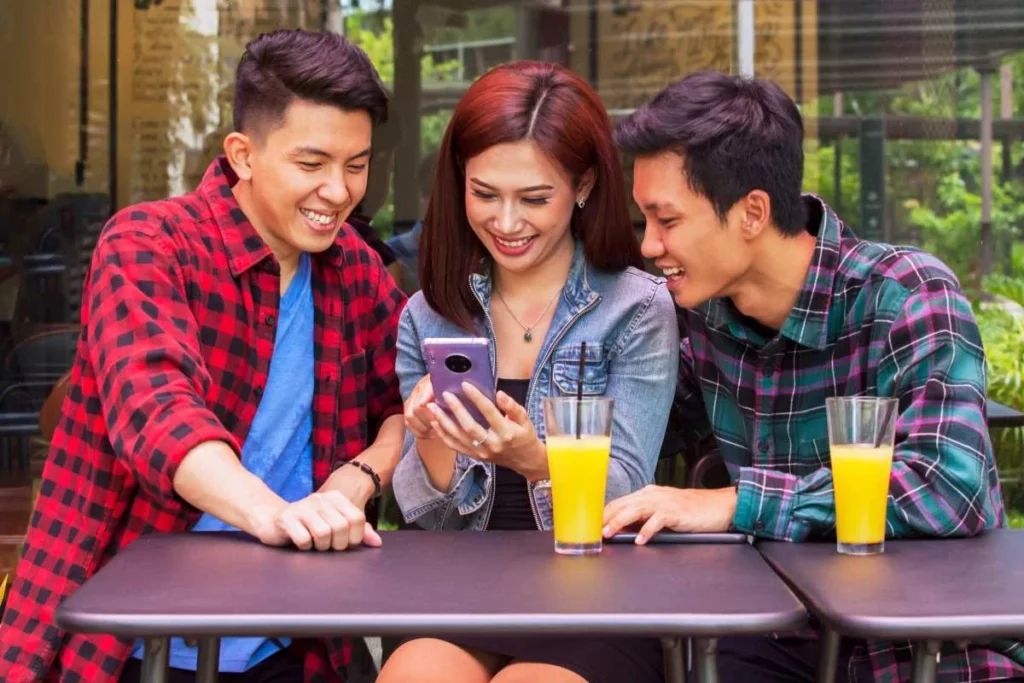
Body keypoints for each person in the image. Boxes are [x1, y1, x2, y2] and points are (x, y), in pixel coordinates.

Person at [0, 29, 406, 683]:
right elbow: (157, 411)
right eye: (312, 164)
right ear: (243, 155)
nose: (338, 191)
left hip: (290, 642)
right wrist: (275, 512)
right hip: (132, 638)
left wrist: (355, 479)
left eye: (356, 165)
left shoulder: (354, 268)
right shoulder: (147, 243)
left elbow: (410, 401)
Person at [603, 71, 1024, 682]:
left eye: (666, 220)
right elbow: (626, 443)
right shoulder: (700, 321)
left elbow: (946, 488)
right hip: (777, 636)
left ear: (752, 212)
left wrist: (738, 503)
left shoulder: (907, 295)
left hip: (929, 641)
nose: (648, 245)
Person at [376, 61, 678, 683]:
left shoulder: (638, 309)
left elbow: (626, 493)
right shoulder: (427, 313)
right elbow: (433, 522)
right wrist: (427, 433)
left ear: (585, 185)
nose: (506, 223)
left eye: (534, 199)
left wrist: (534, 458)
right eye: (484, 194)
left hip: (593, 588)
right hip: (459, 585)